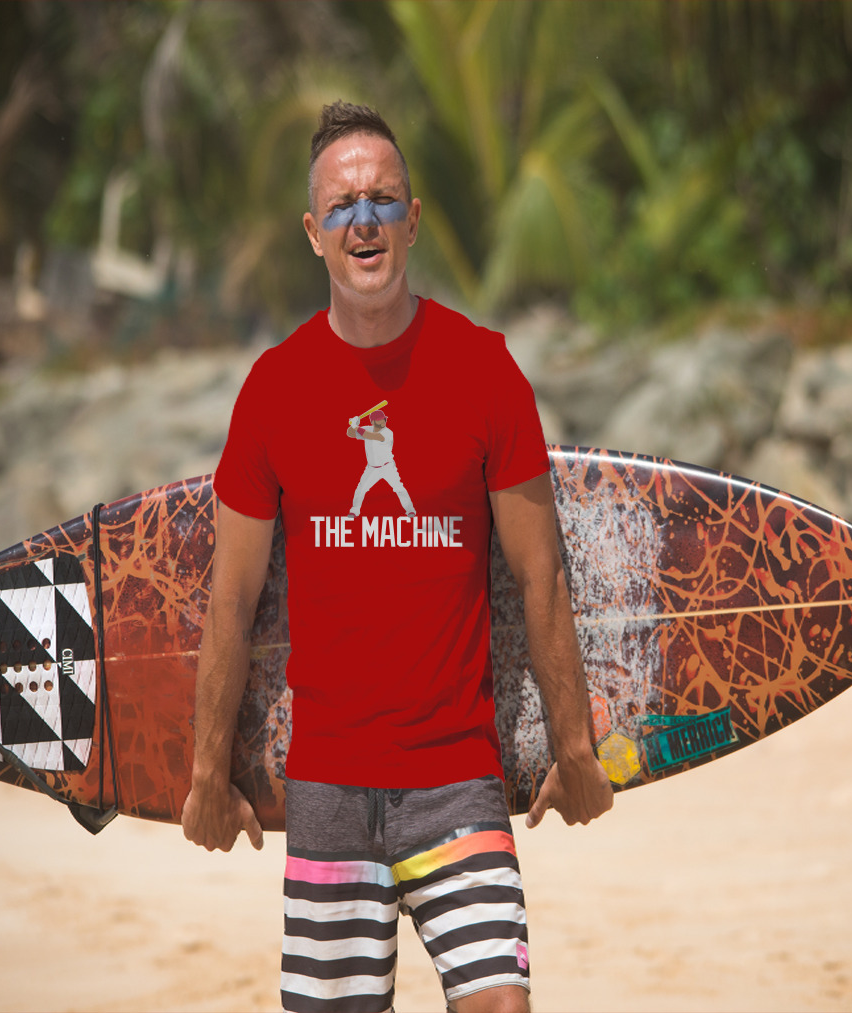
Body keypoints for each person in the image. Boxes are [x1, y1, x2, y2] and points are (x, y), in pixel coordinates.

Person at [182, 100, 613, 1013]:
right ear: (313, 233)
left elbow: (541, 575)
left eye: (383, 200)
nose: (364, 220)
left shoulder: (486, 371)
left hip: (458, 778)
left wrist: (574, 746)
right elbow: (231, 599)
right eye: (342, 206)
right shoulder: (273, 390)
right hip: (329, 786)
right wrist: (204, 772)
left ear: (413, 219)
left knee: (502, 1003)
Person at [346, 407, 416, 519]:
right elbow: (350, 434)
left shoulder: (388, 432)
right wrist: (353, 424)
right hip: (372, 468)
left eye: (383, 419)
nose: (383, 421)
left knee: (399, 488)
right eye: (379, 420)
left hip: (388, 467)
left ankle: (410, 510)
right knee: (361, 488)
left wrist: (356, 426)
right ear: (373, 422)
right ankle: (354, 511)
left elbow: (373, 436)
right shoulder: (367, 429)